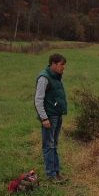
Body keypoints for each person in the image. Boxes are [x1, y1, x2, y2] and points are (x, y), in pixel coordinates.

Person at [35, 53, 68, 182]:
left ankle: (57, 172)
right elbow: (38, 100)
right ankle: (51, 174)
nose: (63, 67)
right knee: (49, 145)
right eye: (61, 65)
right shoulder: (44, 78)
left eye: (64, 65)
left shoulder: (56, 77)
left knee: (54, 144)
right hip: (49, 117)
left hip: (57, 115)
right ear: (53, 64)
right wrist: (44, 118)